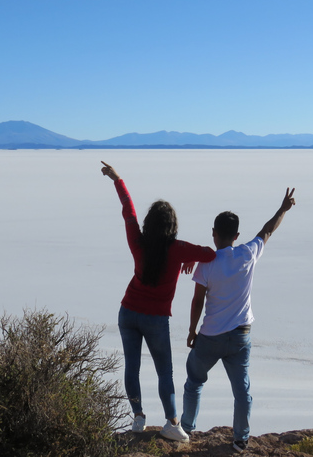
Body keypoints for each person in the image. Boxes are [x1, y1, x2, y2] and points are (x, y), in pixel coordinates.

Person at [101, 161, 216, 442]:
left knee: (132, 367)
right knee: (165, 371)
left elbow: (129, 211)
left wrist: (117, 179)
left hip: (128, 312)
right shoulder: (177, 249)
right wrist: (189, 258)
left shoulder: (137, 243)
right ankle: (172, 423)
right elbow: (211, 253)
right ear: (172, 226)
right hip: (155, 319)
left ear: (149, 225)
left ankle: (138, 418)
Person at [180, 188, 296, 452]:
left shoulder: (207, 264)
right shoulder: (247, 254)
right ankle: (241, 439)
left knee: (194, 381)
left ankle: (186, 428)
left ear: (214, 233)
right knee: (241, 390)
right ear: (236, 236)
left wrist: (191, 330)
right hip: (241, 336)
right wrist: (283, 210)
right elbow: (267, 231)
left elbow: (198, 301)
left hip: (210, 336)